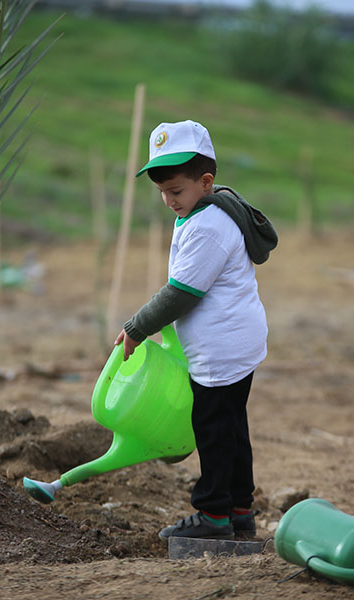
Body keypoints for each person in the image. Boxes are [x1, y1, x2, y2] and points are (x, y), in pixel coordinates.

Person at [114, 120, 277, 540]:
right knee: (232, 428)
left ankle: (214, 516)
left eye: (176, 191)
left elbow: (181, 293)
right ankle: (241, 511)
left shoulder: (208, 226)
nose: (169, 200)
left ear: (205, 181)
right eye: (162, 192)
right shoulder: (205, 210)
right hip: (234, 342)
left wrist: (137, 328)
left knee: (213, 431)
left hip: (221, 350)